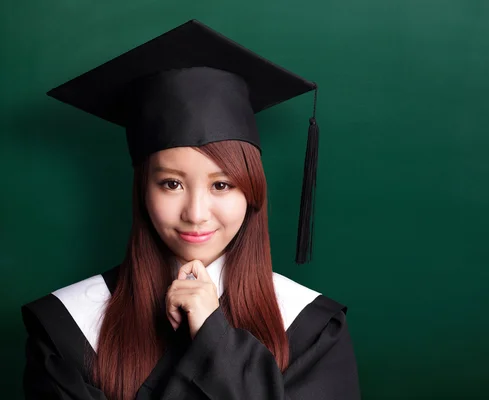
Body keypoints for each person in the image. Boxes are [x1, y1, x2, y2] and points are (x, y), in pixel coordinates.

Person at [21, 19, 361, 400]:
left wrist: (212, 336)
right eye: (171, 184)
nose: (196, 213)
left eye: (221, 185)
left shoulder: (310, 330)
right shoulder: (67, 329)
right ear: (142, 191)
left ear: (252, 192)